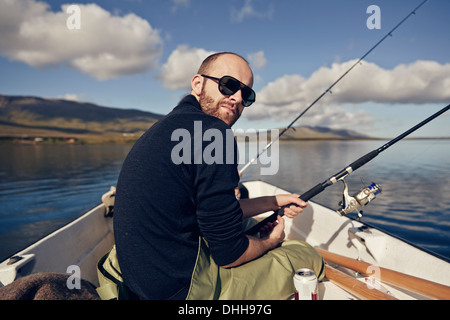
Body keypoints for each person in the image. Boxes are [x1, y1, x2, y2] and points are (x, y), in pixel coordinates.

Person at [97, 52, 324, 300]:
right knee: (304, 253)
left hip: (140, 281)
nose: (237, 97)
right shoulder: (215, 134)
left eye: (247, 94)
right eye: (229, 85)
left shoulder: (166, 127)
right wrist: (271, 241)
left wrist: (273, 202)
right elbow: (230, 255)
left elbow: (210, 213)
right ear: (198, 83)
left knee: (246, 227)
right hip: (182, 291)